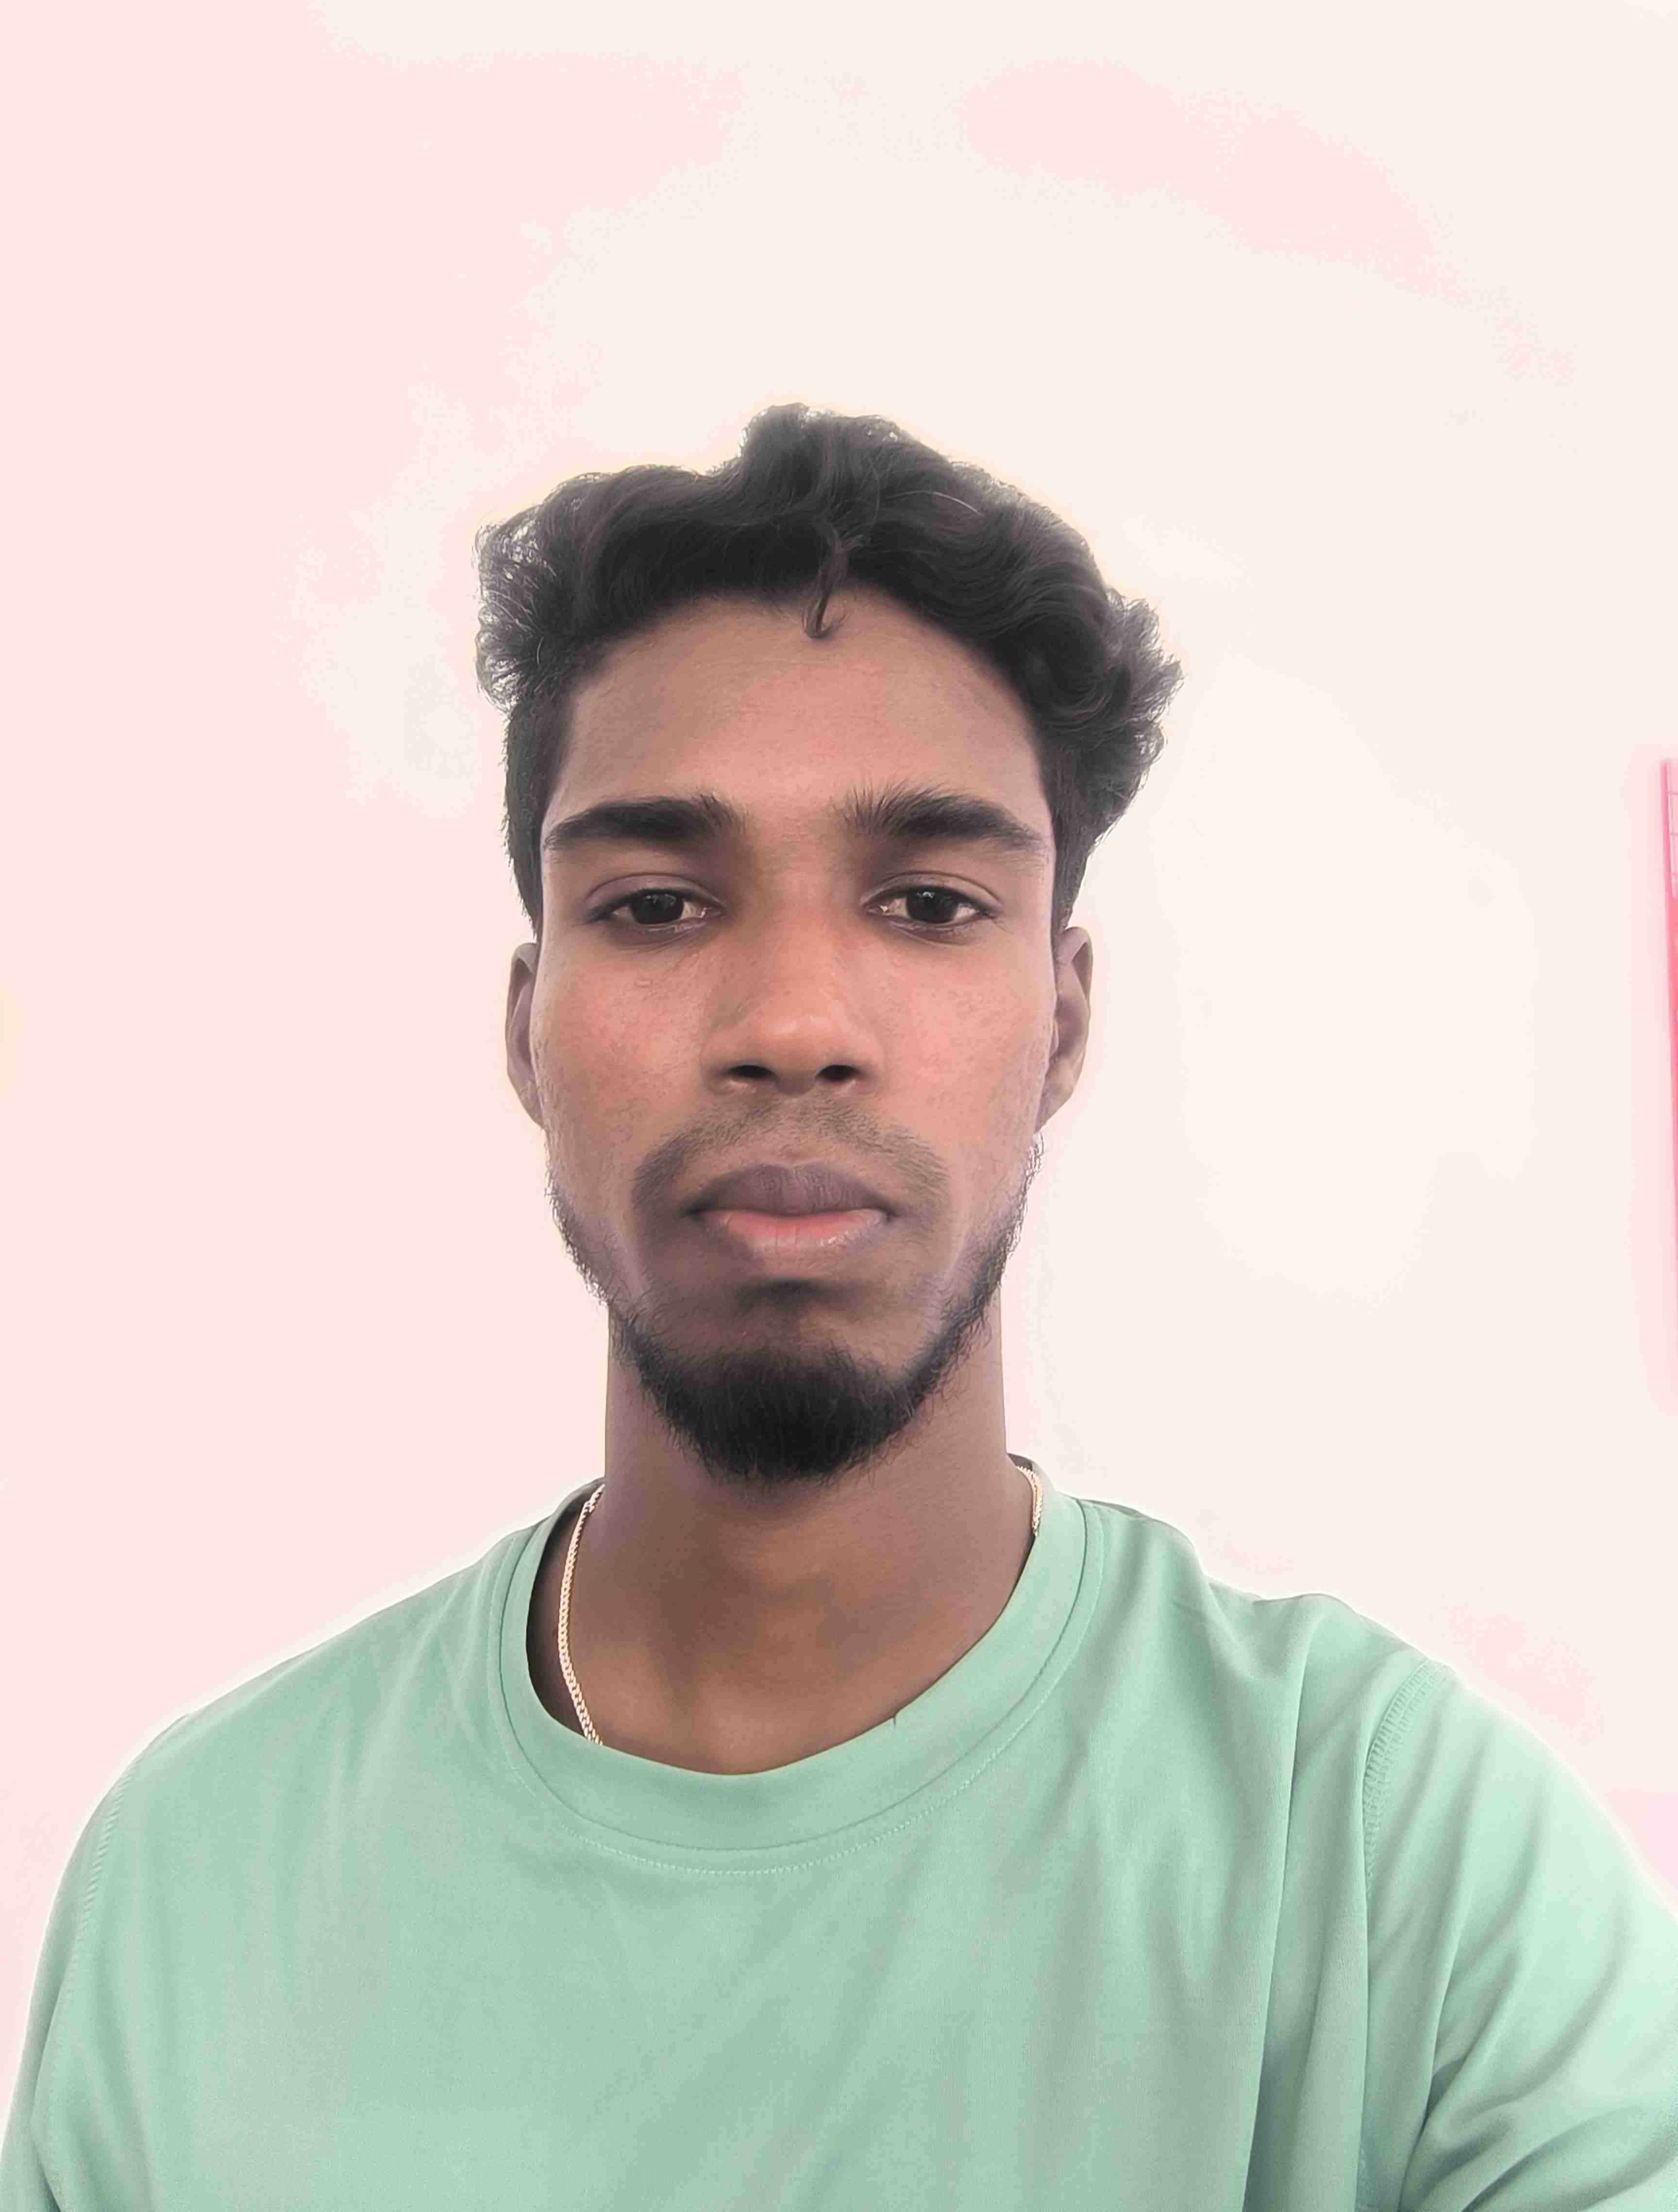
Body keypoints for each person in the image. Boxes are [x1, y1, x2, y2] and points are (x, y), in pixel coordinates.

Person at [4, 404, 1675, 2208]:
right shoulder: (198, 1881)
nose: (795, 1021)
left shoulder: (1400, 1863)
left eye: (931, 903)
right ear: (526, 1030)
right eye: (657, 905)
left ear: (1064, 1021)